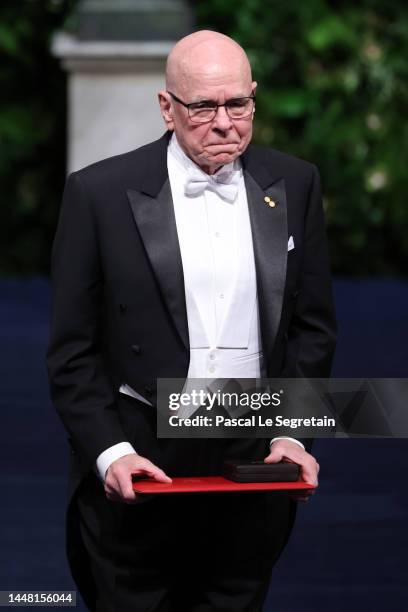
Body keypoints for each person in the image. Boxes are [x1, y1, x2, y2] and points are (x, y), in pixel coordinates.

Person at [47, 30, 336, 612]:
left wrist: (291, 433)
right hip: (140, 469)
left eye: (238, 104)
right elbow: (72, 354)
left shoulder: (296, 183)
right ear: (166, 107)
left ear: (254, 97)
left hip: (252, 468)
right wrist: (111, 452)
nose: (224, 122)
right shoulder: (97, 194)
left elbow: (312, 330)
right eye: (203, 106)